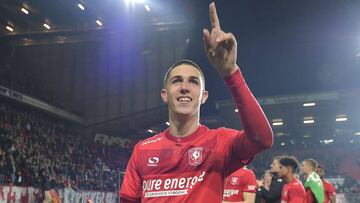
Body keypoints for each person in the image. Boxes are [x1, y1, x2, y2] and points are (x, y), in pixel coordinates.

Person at [119, 2, 273, 203]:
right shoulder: (143, 149)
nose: (184, 87)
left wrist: (230, 73)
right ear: (164, 95)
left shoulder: (220, 142)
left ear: (204, 96)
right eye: (177, 81)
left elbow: (262, 139)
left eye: (193, 81)